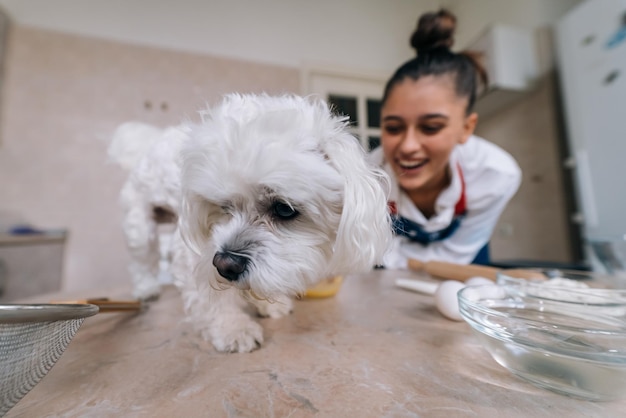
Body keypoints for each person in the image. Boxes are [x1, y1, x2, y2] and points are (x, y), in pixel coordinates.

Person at [370, 8, 521, 269]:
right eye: (393, 128)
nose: (407, 146)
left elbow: (455, 256)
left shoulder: (494, 174)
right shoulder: (370, 175)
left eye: (430, 127)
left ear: (466, 128)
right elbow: (373, 249)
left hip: (462, 269)